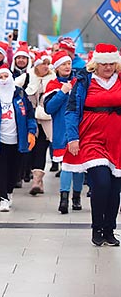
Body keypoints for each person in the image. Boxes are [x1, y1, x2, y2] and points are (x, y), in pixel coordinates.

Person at [63, 43, 121, 246]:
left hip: (117, 140)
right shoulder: (84, 81)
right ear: (95, 64)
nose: (108, 67)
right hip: (91, 138)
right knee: (102, 183)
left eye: (112, 63)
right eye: (104, 63)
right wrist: (72, 138)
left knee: (115, 188)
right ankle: (97, 227)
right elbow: (71, 111)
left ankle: (109, 229)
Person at [0, 65, 37, 212]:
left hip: (18, 141)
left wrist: (31, 132)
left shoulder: (20, 95)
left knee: (15, 172)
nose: (4, 80)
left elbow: (29, 116)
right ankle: (2, 197)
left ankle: (9, 192)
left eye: (6, 76)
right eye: (0, 77)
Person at [43, 50, 82, 214]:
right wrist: (62, 92)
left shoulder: (79, 82)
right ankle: (64, 198)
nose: (67, 67)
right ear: (57, 67)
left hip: (79, 129)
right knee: (66, 165)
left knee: (79, 166)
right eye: (63, 64)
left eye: (68, 63)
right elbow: (49, 108)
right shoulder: (52, 85)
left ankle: (77, 197)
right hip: (61, 129)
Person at [15, 51, 56, 195]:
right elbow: (11, 89)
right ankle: (34, 177)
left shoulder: (53, 78)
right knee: (29, 150)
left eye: (47, 63)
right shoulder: (26, 77)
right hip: (29, 119)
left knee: (41, 149)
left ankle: (36, 181)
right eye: (42, 63)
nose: (46, 66)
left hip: (46, 119)